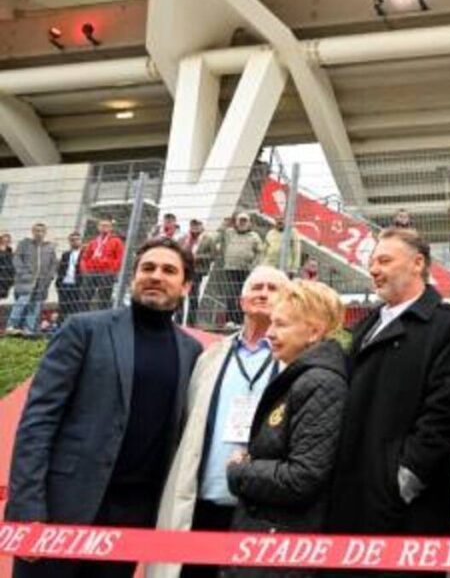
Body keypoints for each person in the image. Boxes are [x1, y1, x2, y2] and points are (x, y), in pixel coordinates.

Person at [5, 237, 202, 578]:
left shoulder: (192, 352)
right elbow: (38, 420)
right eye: (148, 268)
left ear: (185, 286)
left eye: (169, 270)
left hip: (131, 520)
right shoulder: (84, 329)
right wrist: (27, 508)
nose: (156, 276)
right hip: (60, 509)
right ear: (133, 277)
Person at [327, 229, 450, 569]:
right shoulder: (365, 327)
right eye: (371, 262)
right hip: (350, 500)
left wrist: (405, 479)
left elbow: (449, 412)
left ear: (417, 263)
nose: (374, 269)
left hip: (404, 511)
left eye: (384, 260)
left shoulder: (448, 327)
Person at [149, 266, 290, 578]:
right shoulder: (211, 356)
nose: (263, 294)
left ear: (288, 300)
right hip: (201, 503)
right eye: (257, 288)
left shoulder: (294, 360)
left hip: (257, 509)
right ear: (241, 300)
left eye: (272, 288)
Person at [222, 280, 348, 578]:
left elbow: (303, 477)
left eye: (281, 325)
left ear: (314, 332)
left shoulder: (319, 383)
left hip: (281, 552)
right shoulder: (302, 378)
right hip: (269, 543)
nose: (269, 333)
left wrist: (239, 472)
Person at [7, 223, 58, 336]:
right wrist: (22, 272)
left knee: (35, 305)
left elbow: (53, 263)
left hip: (42, 282)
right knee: (21, 302)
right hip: (26, 280)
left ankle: (28, 329)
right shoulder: (25, 244)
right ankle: (12, 325)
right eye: (37, 231)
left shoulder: (49, 247)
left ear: (45, 233)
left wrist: (49, 277)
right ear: (33, 231)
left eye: (41, 231)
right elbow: (17, 258)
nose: (39, 233)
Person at [218, 213, 264, 327]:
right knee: (230, 294)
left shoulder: (254, 236)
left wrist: (254, 266)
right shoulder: (229, 233)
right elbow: (218, 235)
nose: (242, 223)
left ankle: (239, 321)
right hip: (230, 268)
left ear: (249, 223)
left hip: (245, 271)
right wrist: (225, 223)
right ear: (236, 222)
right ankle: (229, 320)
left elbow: (260, 252)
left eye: (245, 221)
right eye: (240, 220)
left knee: (243, 295)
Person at [80, 218, 126, 311]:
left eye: (106, 226)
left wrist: (112, 271)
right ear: (98, 227)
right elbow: (85, 257)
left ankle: (102, 317)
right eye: (102, 225)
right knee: (85, 297)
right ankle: (83, 316)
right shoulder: (93, 242)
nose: (104, 228)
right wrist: (85, 269)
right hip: (91, 272)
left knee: (104, 298)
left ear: (111, 228)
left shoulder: (116, 241)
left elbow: (119, 258)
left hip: (106, 272)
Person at [178, 219, 217, 326]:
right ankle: (178, 322)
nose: (194, 227)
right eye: (192, 225)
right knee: (180, 296)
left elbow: (213, 255)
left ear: (201, 226)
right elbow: (176, 251)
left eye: (197, 225)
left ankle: (191, 323)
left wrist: (198, 258)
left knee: (193, 296)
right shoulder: (183, 239)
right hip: (183, 270)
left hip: (198, 271)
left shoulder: (208, 239)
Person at [55, 231, 85, 324]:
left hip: (77, 284)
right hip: (64, 283)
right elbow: (61, 268)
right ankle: (60, 325)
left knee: (74, 306)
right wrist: (59, 282)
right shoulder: (66, 254)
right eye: (72, 240)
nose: (74, 242)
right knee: (62, 307)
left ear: (81, 241)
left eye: (77, 240)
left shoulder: (85, 254)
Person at [0, 232, 15, 300]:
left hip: (6, 279)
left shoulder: (10, 252)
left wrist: (12, 279)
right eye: (3, 241)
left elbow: (12, 266)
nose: (5, 243)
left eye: (7, 241)